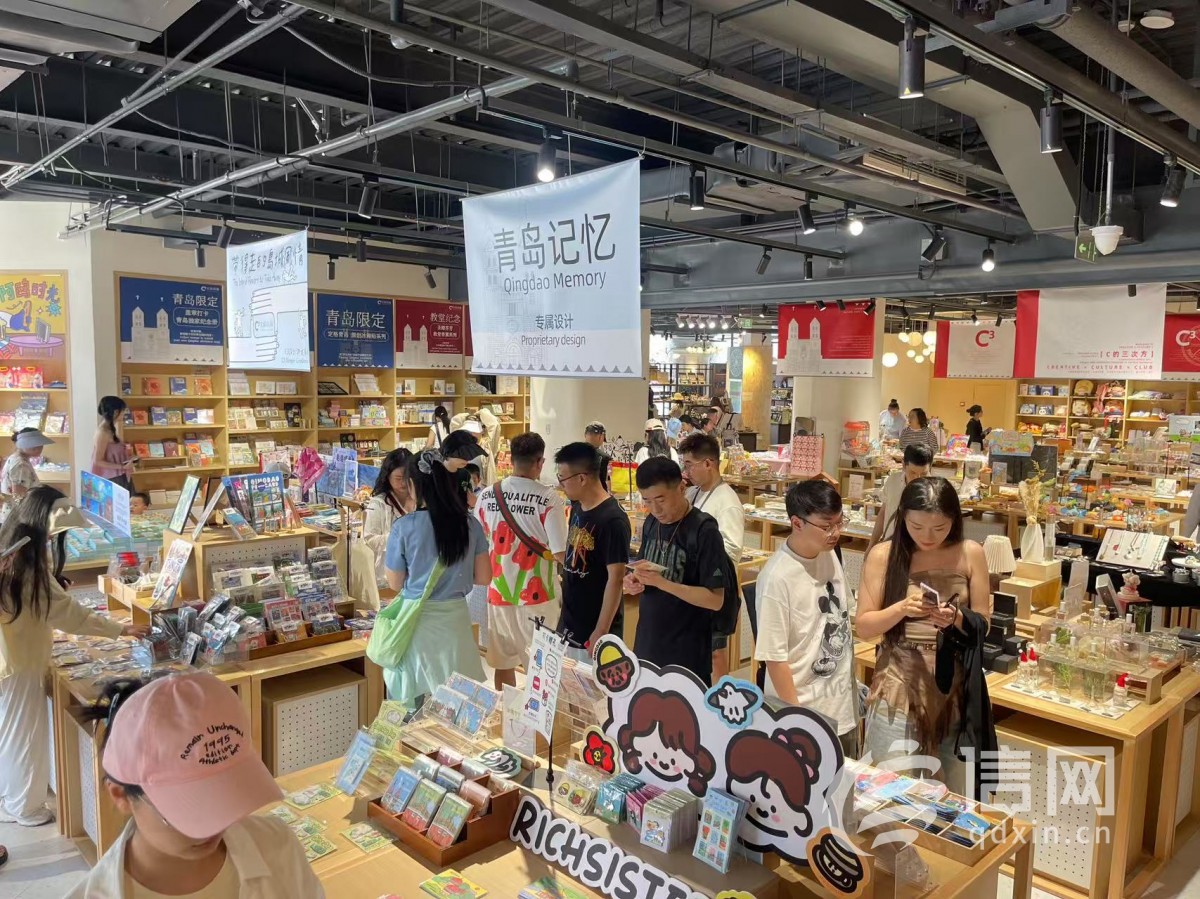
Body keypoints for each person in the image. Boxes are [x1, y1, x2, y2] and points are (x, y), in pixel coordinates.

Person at [67, 672, 321, 898]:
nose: (213, 825)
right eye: (189, 809)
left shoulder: (277, 845)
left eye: (224, 797)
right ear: (120, 795)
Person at [0, 486, 149, 827]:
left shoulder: (13, 544)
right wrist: (120, 629)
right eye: (53, 533)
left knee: (10, 730)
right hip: (20, 660)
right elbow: (66, 614)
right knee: (25, 735)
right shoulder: (24, 561)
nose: (54, 539)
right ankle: (26, 807)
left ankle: (11, 798)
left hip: (11, 656)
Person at [855, 477, 991, 793]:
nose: (927, 537)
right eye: (917, 527)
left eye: (939, 528)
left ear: (955, 520)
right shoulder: (884, 555)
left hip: (954, 687)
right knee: (888, 791)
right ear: (902, 517)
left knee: (956, 797)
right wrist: (902, 608)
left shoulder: (970, 553)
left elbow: (983, 623)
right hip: (899, 684)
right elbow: (864, 627)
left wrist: (956, 617)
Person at [754, 480, 857, 756]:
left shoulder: (829, 554)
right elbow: (775, 659)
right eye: (827, 526)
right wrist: (797, 723)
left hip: (840, 707)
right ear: (797, 523)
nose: (835, 533)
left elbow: (844, 615)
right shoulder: (776, 578)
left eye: (839, 522)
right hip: (802, 714)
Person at [384, 450, 489, 704]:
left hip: (417, 622)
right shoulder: (470, 525)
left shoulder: (404, 527)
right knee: (457, 701)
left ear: (412, 485)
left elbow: (395, 583)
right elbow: (484, 577)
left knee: (414, 698)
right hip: (455, 622)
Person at [475, 432, 568, 689]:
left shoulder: (487, 495)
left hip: (498, 592)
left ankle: (506, 711)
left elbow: (479, 542)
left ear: (512, 459)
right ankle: (536, 716)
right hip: (539, 596)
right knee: (541, 670)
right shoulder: (548, 498)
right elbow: (560, 552)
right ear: (540, 462)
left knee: (503, 663)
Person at [624, 457, 726, 685]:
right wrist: (633, 580)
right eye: (647, 501)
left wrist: (662, 583)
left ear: (681, 487)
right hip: (648, 644)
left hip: (686, 652)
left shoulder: (704, 530)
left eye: (661, 499)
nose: (655, 509)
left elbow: (715, 600)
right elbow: (643, 567)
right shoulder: (651, 523)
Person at [678, 432, 744, 680]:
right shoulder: (694, 492)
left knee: (715, 652)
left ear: (708, 463)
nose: (686, 471)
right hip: (694, 585)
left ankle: (719, 698)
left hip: (715, 586)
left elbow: (732, 550)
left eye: (689, 465)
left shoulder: (727, 501)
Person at [555, 442, 630, 651]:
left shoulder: (613, 520)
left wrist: (601, 630)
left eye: (562, 478)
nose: (561, 485)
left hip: (594, 631)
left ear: (581, 478)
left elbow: (616, 579)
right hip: (569, 623)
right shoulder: (578, 507)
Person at [362, 449, 415, 583]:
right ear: (387, 476)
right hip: (389, 572)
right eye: (398, 478)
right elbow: (369, 539)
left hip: (417, 568)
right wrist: (398, 538)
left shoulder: (420, 499)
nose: (403, 483)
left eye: (407, 478)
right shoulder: (379, 503)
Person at [868, 443, 933, 550]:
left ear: (930, 467)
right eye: (913, 473)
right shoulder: (893, 481)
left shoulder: (934, 490)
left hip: (918, 550)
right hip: (890, 546)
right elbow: (883, 513)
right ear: (903, 465)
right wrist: (872, 544)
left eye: (924, 474)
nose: (918, 478)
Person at [92, 395, 134, 490]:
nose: (124, 413)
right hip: (112, 478)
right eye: (123, 411)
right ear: (115, 412)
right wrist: (122, 466)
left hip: (119, 476)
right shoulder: (103, 432)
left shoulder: (110, 430)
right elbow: (97, 461)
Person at [2, 428, 51, 500]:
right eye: (33, 444)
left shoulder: (15, 458)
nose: (39, 448)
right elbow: (19, 497)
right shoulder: (21, 465)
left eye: (40, 444)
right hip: (22, 506)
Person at [583, 421, 612, 492]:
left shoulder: (571, 454)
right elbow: (610, 484)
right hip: (598, 497)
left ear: (585, 435)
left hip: (576, 497)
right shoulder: (605, 458)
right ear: (601, 436)